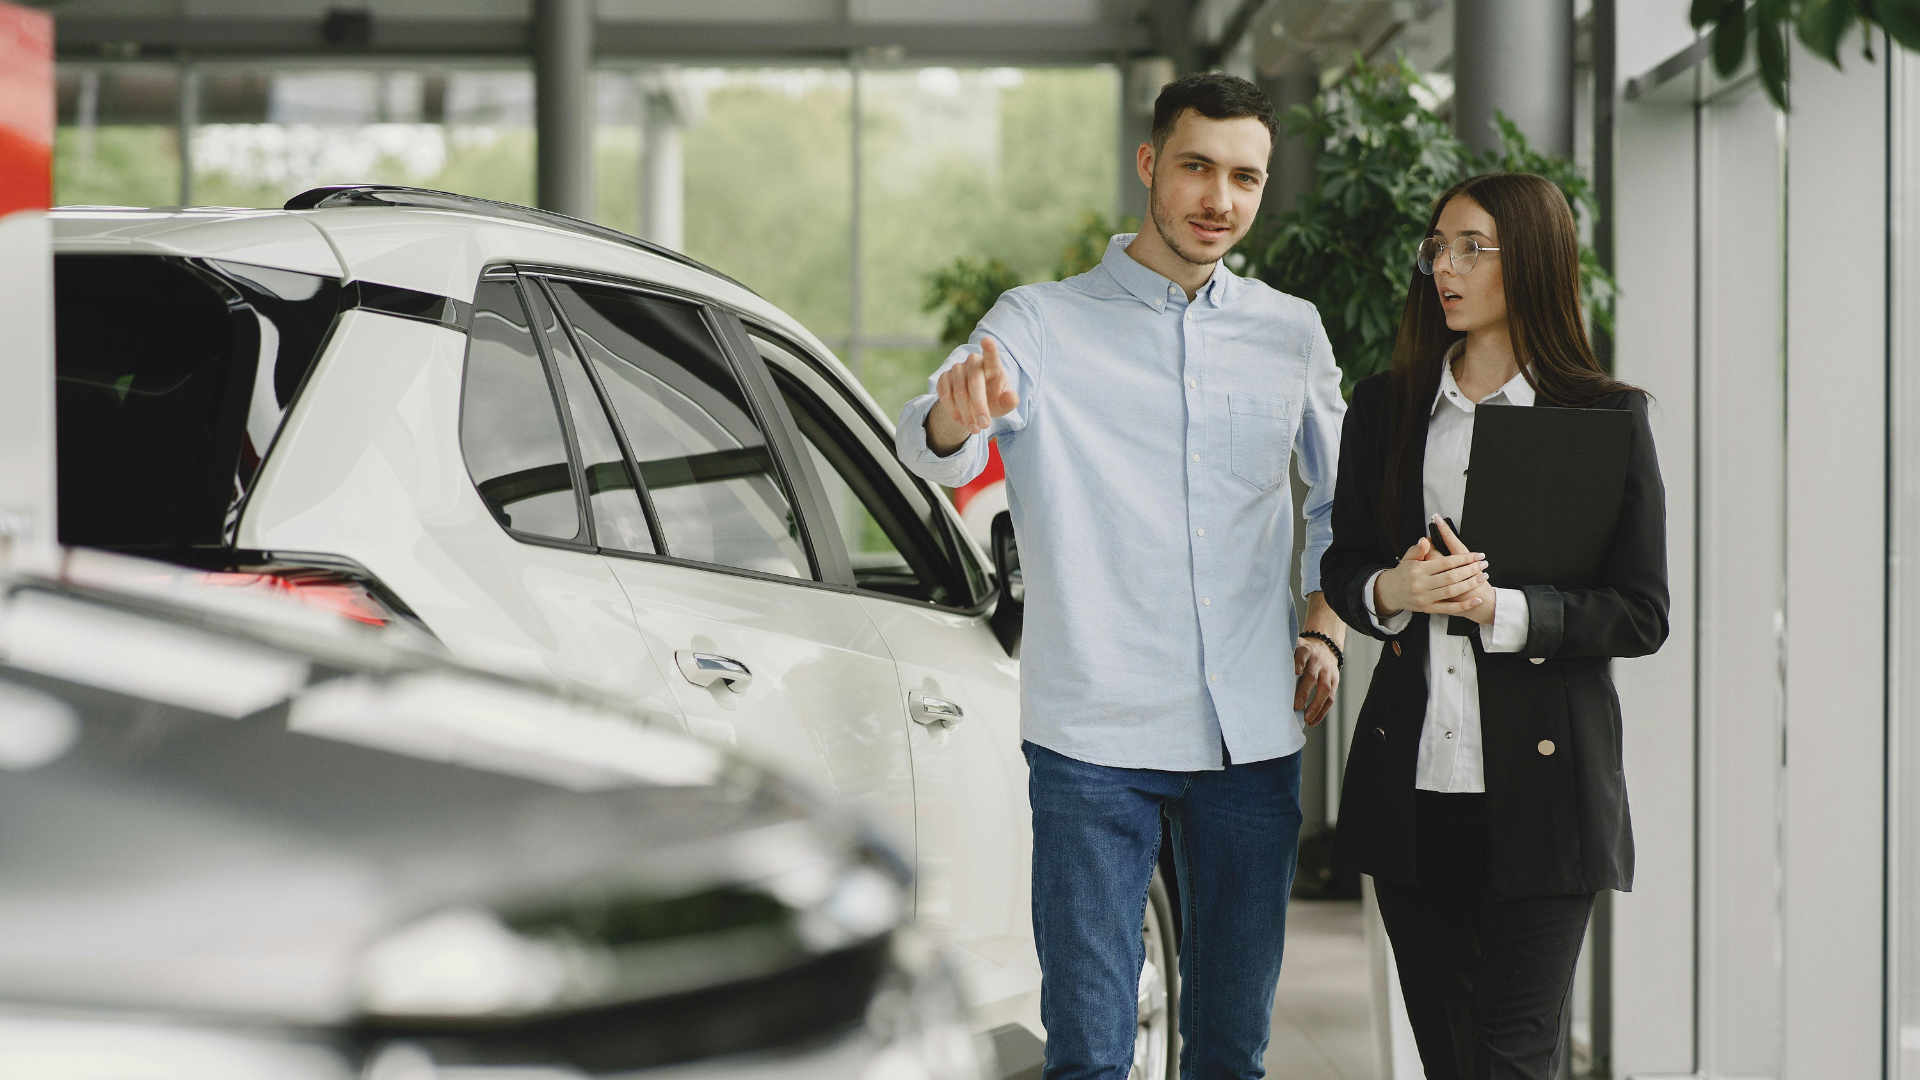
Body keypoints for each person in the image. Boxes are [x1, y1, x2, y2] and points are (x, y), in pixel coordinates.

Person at [895, 72, 1347, 1079]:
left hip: (1252, 732)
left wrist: (1325, 623)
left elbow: (1340, 500)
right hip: (1093, 736)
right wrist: (956, 415)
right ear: (1150, 165)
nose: (1218, 199)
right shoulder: (1040, 322)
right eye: (1196, 167)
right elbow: (934, 439)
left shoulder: (1290, 331)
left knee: (1231, 1050)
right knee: (1092, 1052)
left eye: (1244, 177)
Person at [1321, 172, 1669, 1079]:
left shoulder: (1603, 416)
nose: (1447, 265)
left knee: (1511, 1060)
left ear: (1537, 260)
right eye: (1440, 246)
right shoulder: (1386, 407)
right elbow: (1343, 566)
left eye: (1474, 247)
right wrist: (1395, 588)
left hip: (1548, 797)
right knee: (1453, 1060)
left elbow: (1642, 610)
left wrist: (1500, 610)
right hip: (1413, 789)